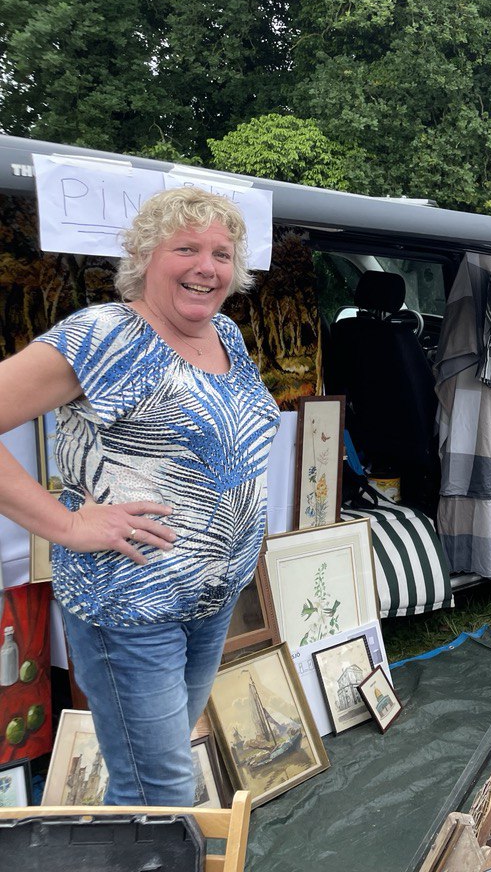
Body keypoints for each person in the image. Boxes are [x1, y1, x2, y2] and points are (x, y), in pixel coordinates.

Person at [0, 188, 280, 805]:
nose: (207, 266)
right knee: (161, 792)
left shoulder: (225, 334)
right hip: (129, 606)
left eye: (222, 253)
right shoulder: (103, 335)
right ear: (144, 257)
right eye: (186, 248)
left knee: (152, 768)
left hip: (209, 599)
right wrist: (68, 526)